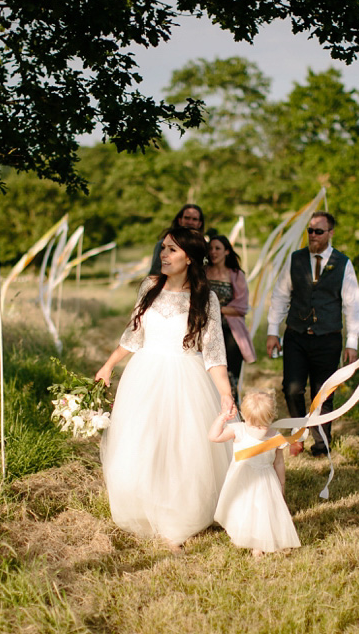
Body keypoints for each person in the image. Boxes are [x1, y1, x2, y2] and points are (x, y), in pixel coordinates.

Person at [96, 226, 235, 550]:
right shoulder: (149, 286)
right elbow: (133, 336)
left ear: (188, 257)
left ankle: (175, 523)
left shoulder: (206, 298)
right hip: (144, 375)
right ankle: (145, 508)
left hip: (185, 377)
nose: (164, 254)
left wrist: (226, 394)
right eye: (163, 248)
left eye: (172, 249)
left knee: (180, 450)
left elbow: (214, 354)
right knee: (141, 443)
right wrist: (108, 364)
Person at [265, 210, 359, 457]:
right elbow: (280, 295)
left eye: (318, 231)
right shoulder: (295, 259)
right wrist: (272, 331)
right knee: (291, 388)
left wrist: (352, 341)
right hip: (296, 334)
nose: (313, 235)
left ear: (330, 233)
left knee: (323, 391)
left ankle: (322, 443)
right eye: (310, 230)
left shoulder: (343, 264)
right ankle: (297, 435)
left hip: (328, 337)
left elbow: (352, 304)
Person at [208, 390, 300, 557]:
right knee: (242, 509)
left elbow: (278, 462)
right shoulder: (239, 430)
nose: (258, 429)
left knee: (262, 511)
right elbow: (214, 436)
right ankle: (243, 534)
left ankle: (258, 544)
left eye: (262, 425)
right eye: (253, 424)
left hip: (265, 480)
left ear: (271, 418)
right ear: (245, 417)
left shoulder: (275, 436)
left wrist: (282, 484)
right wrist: (222, 417)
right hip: (243, 480)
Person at [205, 235, 256, 407]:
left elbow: (241, 307)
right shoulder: (202, 272)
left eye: (217, 248)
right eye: (211, 248)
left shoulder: (236, 275)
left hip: (231, 332)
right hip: (206, 332)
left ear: (227, 251)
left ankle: (233, 413)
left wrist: (216, 309)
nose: (213, 252)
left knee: (230, 376)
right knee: (207, 375)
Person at [149, 204, 205, 275]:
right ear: (180, 220)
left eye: (194, 219)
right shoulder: (164, 244)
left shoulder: (204, 246)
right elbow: (155, 272)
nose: (190, 222)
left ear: (199, 224)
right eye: (187, 218)